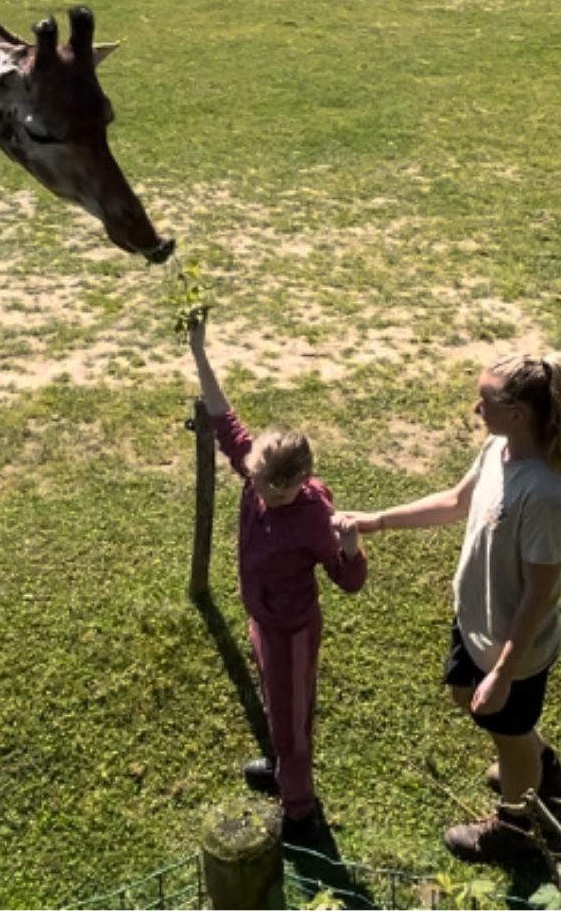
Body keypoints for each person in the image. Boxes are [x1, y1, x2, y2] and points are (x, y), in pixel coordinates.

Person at [339, 353, 561, 863]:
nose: (477, 408)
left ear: (518, 412)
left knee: (506, 733)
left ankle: (516, 827)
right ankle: (538, 761)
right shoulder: (498, 448)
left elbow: (538, 599)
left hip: (513, 649)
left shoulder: (545, 495)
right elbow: (455, 501)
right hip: (476, 623)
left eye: (487, 400)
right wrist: (378, 521)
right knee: (461, 692)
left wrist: (502, 672)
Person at [188, 316, 367, 843]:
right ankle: (287, 772)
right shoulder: (255, 467)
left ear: (295, 485)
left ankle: (298, 813)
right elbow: (224, 417)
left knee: (291, 723)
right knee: (275, 705)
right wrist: (199, 351)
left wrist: (352, 549)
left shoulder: (312, 514)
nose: (256, 488)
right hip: (263, 616)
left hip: (291, 631)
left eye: (267, 488)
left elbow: (348, 580)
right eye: (254, 477)